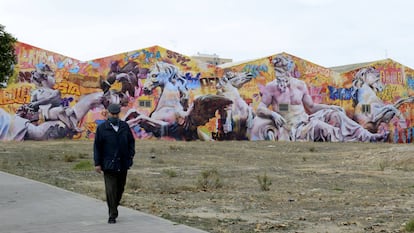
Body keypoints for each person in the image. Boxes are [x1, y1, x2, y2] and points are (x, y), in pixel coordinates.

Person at [253, 54, 388, 142]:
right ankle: (347, 141)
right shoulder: (271, 87)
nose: (279, 73)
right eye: (277, 70)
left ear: (288, 69)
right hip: (293, 128)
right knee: (321, 127)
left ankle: (368, 136)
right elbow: (260, 107)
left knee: (336, 114)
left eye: (282, 69)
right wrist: (273, 114)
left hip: (306, 120)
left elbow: (311, 107)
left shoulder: (300, 85)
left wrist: (331, 107)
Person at [93, 103, 135, 224]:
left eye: (117, 114)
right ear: (108, 113)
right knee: (111, 190)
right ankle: (112, 214)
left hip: (123, 163)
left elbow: (131, 142)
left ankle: (114, 206)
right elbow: (97, 147)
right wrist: (97, 163)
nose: (115, 116)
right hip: (108, 164)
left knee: (120, 189)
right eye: (113, 114)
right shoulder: (102, 128)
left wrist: (130, 156)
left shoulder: (124, 126)